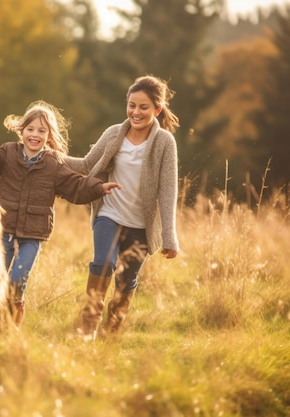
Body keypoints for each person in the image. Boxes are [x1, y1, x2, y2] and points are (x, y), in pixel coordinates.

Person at [0, 101, 121, 326]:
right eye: (30, 129)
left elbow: (75, 185)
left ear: (49, 136)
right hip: (3, 230)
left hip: (32, 236)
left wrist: (98, 188)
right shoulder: (8, 154)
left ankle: (11, 324)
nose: (35, 135)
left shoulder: (53, 164)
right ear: (21, 131)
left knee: (16, 281)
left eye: (41, 131)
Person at [65, 75, 180, 341]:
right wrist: (53, 156)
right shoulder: (114, 133)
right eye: (131, 105)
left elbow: (167, 190)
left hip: (141, 225)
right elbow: (85, 165)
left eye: (143, 107)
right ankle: (88, 327)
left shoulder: (164, 143)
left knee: (126, 281)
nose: (136, 112)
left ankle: (110, 334)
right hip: (109, 214)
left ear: (157, 110)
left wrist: (169, 236)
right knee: (103, 263)